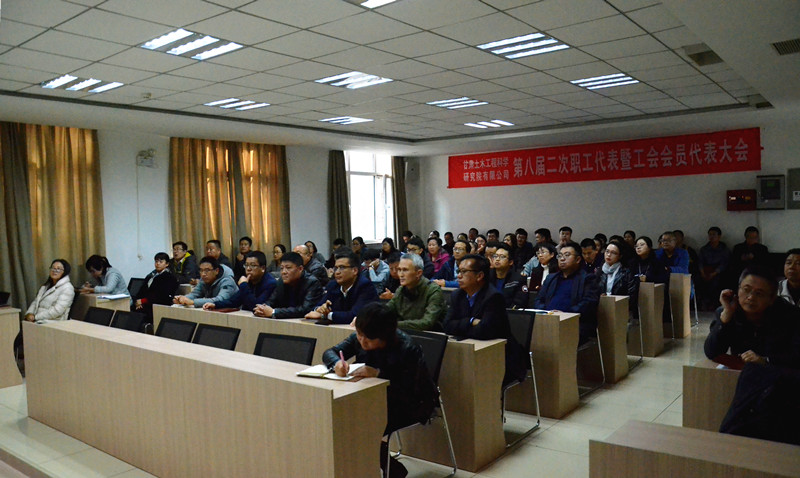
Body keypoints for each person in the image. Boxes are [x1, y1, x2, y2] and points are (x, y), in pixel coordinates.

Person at [323, 302, 437, 478]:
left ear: (384, 337)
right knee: (344, 421)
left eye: (368, 339)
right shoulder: (361, 336)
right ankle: (390, 467)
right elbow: (330, 352)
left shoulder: (407, 348)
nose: (362, 341)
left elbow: (408, 388)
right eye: (359, 335)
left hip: (411, 403)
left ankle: (391, 470)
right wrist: (337, 363)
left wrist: (379, 373)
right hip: (374, 398)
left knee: (360, 426)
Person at [444, 254, 526, 385]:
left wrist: (459, 326)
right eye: (459, 271)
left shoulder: (493, 297)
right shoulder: (457, 295)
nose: (459, 276)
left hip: (499, 356)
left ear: (479, 276)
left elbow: (484, 332)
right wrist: (471, 321)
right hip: (469, 352)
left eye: (464, 272)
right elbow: (447, 325)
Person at [704, 267, 800, 368]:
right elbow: (712, 352)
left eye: (759, 293)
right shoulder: (728, 311)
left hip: (779, 372)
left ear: (772, 298)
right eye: (746, 290)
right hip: (742, 372)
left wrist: (766, 360)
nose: (751, 297)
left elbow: (796, 356)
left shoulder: (791, 315)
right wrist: (726, 317)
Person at [535, 241, 601, 344]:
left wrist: (565, 314)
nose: (562, 259)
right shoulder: (551, 278)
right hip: (548, 321)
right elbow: (539, 300)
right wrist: (548, 313)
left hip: (573, 324)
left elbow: (588, 304)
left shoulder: (588, 279)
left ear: (578, 259)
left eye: (567, 255)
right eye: (560, 256)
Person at [305, 251, 379, 324]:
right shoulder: (333, 285)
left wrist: (326, 315)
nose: (337, 272)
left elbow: (355, 315)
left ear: (355, 270)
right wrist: (320, 309)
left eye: (342, 267)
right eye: (335, 268)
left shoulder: (365, 286)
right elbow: (318, 306)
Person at [385, 253, 445, 331]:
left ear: (418, 273)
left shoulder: (433, 291)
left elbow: (427, 323)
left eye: (405, 270)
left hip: (430, 335)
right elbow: (386, 310)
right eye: (399, 270)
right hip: (407, 333)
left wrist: (393, 324)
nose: (401, 274)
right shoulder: (401, 290)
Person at [254, 252, 323, 319]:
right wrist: (262, 309)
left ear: (300, 269)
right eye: (281, 268)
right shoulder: (281, 281)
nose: (283, 272)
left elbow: (305, 310)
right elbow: (271, 301)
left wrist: (274, 312)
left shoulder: (312, 282)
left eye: (288, 268)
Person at [204, 251, 276, 312]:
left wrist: (244, 285)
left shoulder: (270, 283)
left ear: (263, 268)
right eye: (246, 265)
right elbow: (233, 301)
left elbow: (256, 307)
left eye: (253, 265)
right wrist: (215, 304)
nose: (248, 269)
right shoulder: (249, 281)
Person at [173, 256, 237, 308]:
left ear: (216, 271)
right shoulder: (204, 279)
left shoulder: (227, 281)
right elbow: (195, 294)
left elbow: (220, 300)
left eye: (207, 270)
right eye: (201, 270)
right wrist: (182, 299)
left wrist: (193, 302)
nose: (203, 274)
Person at [596, 240, 638, 317]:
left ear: (620, 256)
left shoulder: (626, 272)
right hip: (601, 309)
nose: (609, 255)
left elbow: (632, 295)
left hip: (620, 310)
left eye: (613, 253)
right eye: (607, 251)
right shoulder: (599, 271)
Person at [133, 252, 179, 322]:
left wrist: (142, 301)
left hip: (159, 304)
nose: (158, 264)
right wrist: (137, 301)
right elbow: (142, 290)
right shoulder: (151, 275)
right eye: (156, 261)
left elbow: (161, 295)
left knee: (139, 313)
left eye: (161, 262)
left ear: (167, 264)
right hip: (146, 303)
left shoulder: (169, 277)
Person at [699, 227, 730, 309]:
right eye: (710, 235)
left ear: (719, 236)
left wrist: (714, 273)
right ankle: (704, 303)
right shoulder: (704, 249)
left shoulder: (724, 249)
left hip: (718, 272)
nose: (711, 237)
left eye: (714, 235)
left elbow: (724, 264)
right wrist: (702, 273)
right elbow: (700, 262)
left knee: (717, 281)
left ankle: (715, 304)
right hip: (706, 271)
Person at [488, 243, 527, 308]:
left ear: (510, 262)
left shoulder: (518, 279)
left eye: (502, 257)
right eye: (495, 256)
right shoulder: (487, 276)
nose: (497, 259)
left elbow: (519, 303)